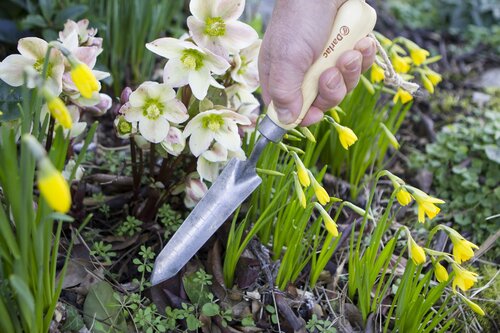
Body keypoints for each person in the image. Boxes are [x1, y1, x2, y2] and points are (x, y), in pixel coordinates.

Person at [259, 0, 376, 126]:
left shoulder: (360, 12)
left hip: (355, 16)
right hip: (354, 15)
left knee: (337, 73)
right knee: (335, 75)